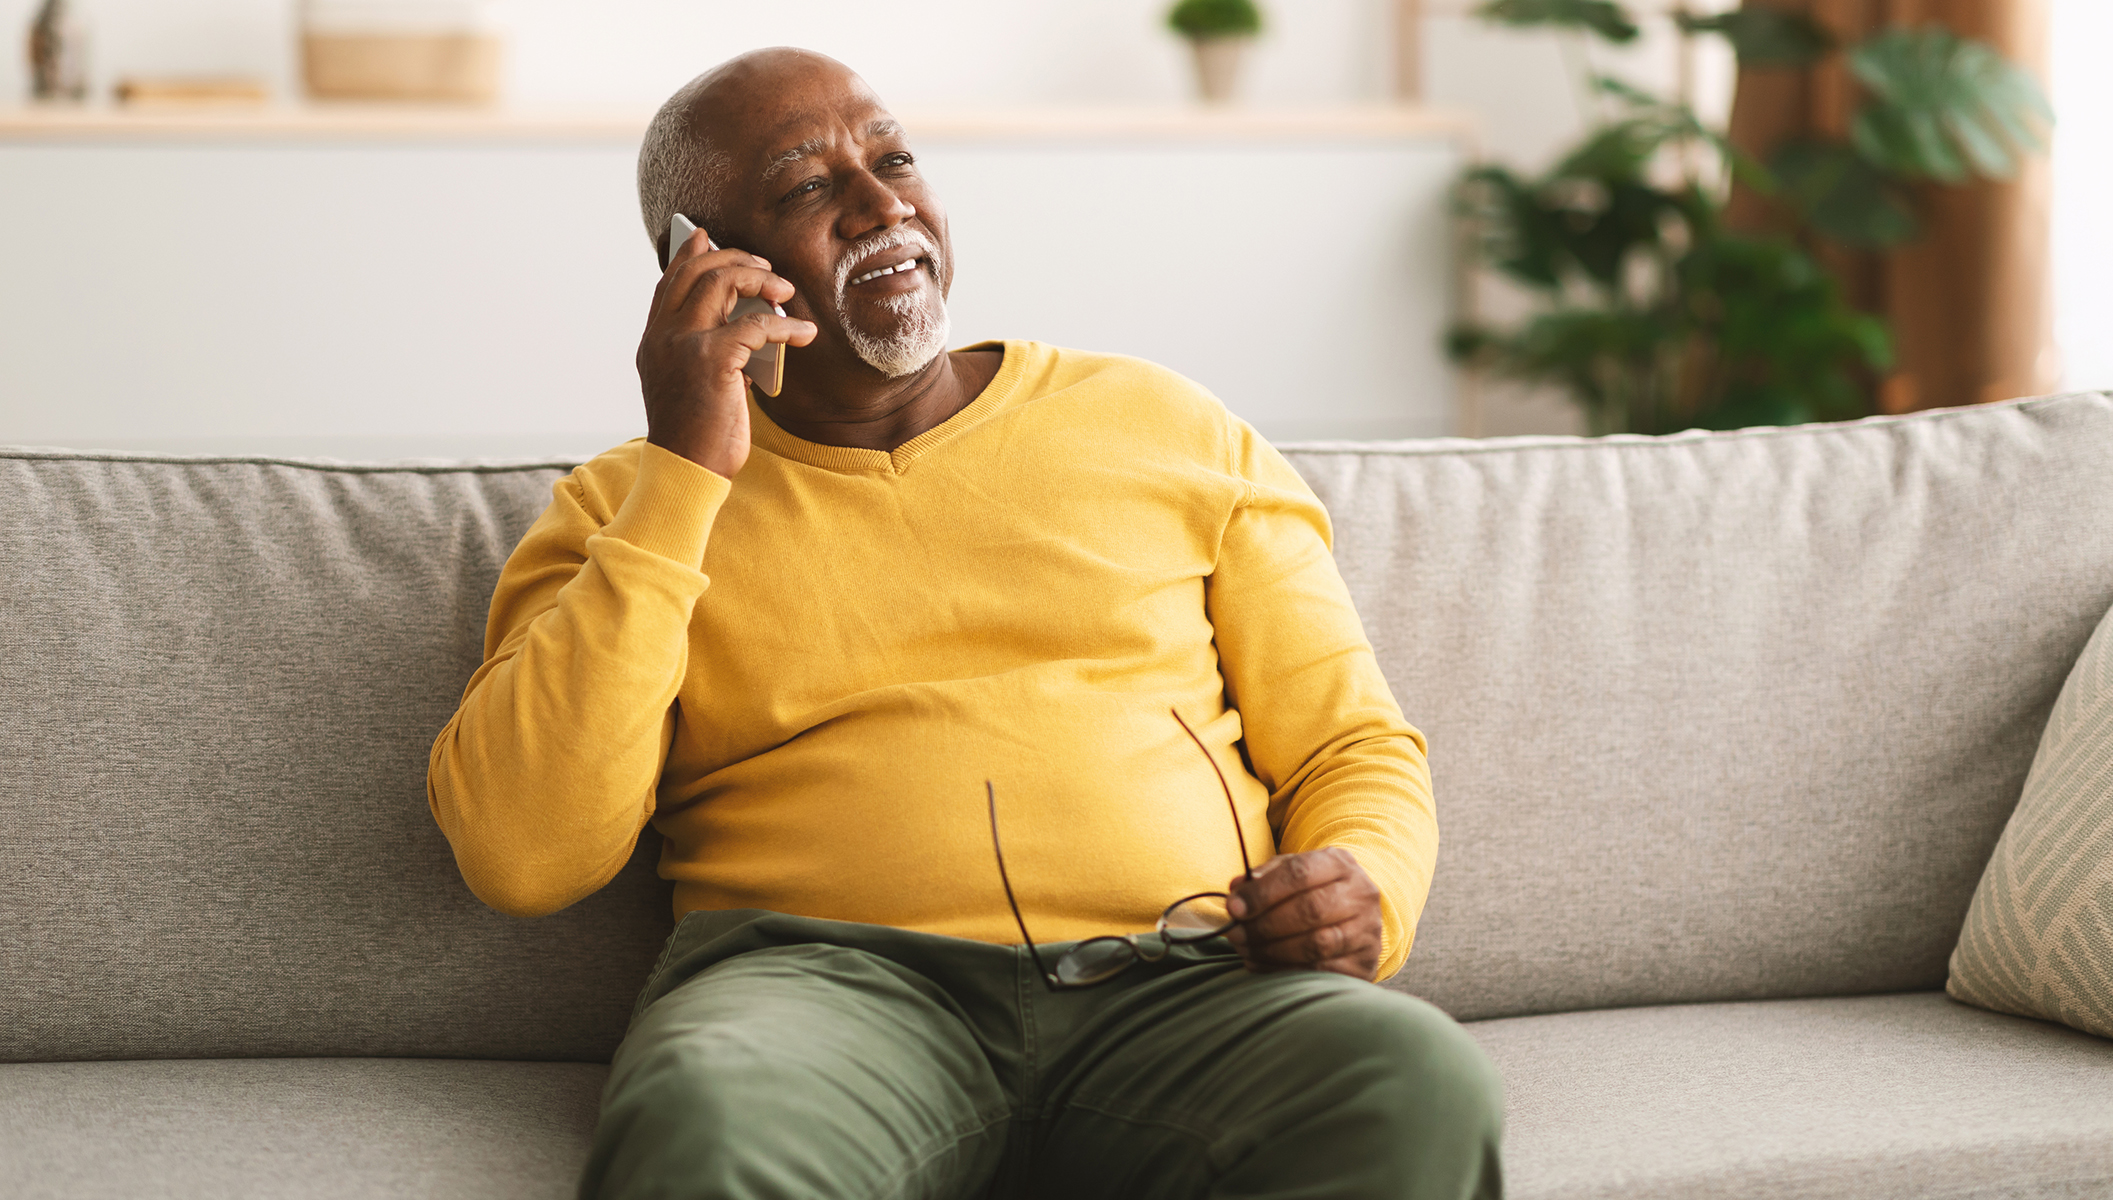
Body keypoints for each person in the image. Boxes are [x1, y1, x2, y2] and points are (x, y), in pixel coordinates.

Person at [428, 46, 1502, 1200]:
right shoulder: (626, 511)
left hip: (1188, 980)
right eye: (807, 187)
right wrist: (687, 468)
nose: (882, 205)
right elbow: (524, 856)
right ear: (701, 265)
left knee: (1411, 1077)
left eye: (893, 160)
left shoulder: (1163, 424)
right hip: (822, 1006)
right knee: (707, 1125)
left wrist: (1364, 891)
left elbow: (1352, 745)